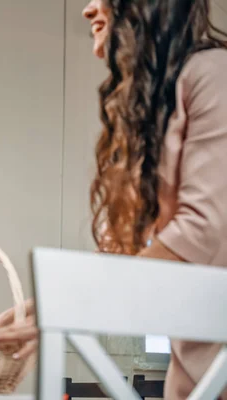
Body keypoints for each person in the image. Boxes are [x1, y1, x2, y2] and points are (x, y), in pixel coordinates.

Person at [82, 0, 226, 398]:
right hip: (194, 356)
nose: (87, 9)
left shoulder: (213, 72)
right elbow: (116, 250)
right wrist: (17, 321)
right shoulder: (154, 107)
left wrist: (73, 297)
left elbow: (203, 229)